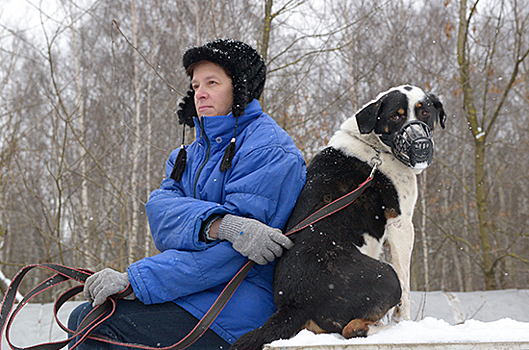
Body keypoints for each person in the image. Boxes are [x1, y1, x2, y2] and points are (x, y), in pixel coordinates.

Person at [67, 38, 307, 349]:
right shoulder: (189, 155)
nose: (200, 93)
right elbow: (162, 220)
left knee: (93, 324)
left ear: (241, 88)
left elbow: (236, 256)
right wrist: (221, 225)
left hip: (242, 302)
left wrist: (135, 283)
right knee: (84, 318)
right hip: (198, 291)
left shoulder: (268, 148)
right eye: (195, 85)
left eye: (212, 82)